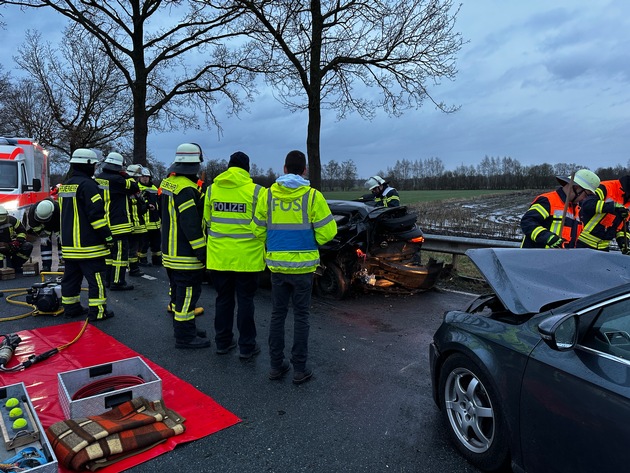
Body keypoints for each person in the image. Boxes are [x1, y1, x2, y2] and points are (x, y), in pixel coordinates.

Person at [252, 150, 337, 384]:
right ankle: (300, 369)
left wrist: (272, 243)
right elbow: (329, 232)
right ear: (305, 170)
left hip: (277, 268)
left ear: (284, 169)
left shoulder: (268, 196)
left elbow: (257, 229)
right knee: (301, 316)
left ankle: (276, 366)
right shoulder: (312, 197)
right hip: (303, 268)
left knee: (278, 315)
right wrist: (311, 241)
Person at [204, 151, 265, 359]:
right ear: (247, 169)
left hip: (219, 257)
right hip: (248, 258)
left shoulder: (211, 190)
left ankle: (222, 342)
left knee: (223, 300)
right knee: (246, 301)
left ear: (228, 167)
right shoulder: (257, 192)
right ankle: (247, 347)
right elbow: (264, 224)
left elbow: (208, 222)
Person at [159, 143, 210, 349]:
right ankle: (185, 337)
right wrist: (202, 252)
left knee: (179, 294)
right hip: (185, 255)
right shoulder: (187, 189)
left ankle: (187, 328)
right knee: (187, 297)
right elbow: (191, 225)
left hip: (170, 253)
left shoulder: (168, 183)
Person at [59, 148, 115, 321]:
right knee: (96, 278)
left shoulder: (66, 185)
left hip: (69, 245)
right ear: (88, 165)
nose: (96, 168)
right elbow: (96, 216)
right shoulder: (89, 185)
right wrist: (107, 237)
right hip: (89, 246)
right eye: (95, 165)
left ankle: (71, 307)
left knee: (71, 278)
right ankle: (98, 312)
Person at [520, 169, 600, 249]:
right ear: (576, 188)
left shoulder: (577, 209)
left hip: (560, 259)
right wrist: (548, 237)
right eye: (586, 195)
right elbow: (527, 222)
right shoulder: (547, 201)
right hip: (536, 257)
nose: (585, 199)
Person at [95, 152, 138, 290]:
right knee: (120, 255)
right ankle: (118, 281)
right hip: (118, 224)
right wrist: (126, 174)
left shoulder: (98, 178)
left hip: (103, 223)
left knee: (108, 255)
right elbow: (134, 187)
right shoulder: (118, 180)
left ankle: (107, 280)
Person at [23, 198, 62, 272]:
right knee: (45, 243)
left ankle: (63, 264)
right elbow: (33, 225)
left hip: (57, 224)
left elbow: (63, 222)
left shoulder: (59, 209)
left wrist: (61, 234)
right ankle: (46, 266)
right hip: (44, 227)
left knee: (62, 242)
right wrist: (43, 235)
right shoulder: (32, 210)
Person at [594, 176, 630, 253]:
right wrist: (612, 207)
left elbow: (622, 226)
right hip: (581, 244)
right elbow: (587, 205)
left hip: (603, 247)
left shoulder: (628, 202)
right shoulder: (606, 187)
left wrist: (624, 244)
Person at [125, 164, 148, 277]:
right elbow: (141, 204)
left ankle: (132, 267)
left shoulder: (125, 187)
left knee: (132, 247)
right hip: (134, 223)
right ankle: (133, 269)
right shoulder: (132, 187)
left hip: (131, 223)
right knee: (133, 248)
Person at [137, 167, 162, 266]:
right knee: (143, 244)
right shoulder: (137, 188)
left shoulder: (154, 189)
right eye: (143, 176)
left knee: (156, 244)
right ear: (139, 177)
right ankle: (142, 261)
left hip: (155, 222)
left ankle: (157, 260)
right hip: (144, 223)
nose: (145, 178)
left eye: (147, 177)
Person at [0, 204, 33, 273]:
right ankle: (8, 265)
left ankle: (16, 265)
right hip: (1, 252)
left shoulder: (12, 220)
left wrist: (17, 242)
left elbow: (22, 231)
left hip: (11, 246)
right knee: (6, 267)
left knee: (27, 246)